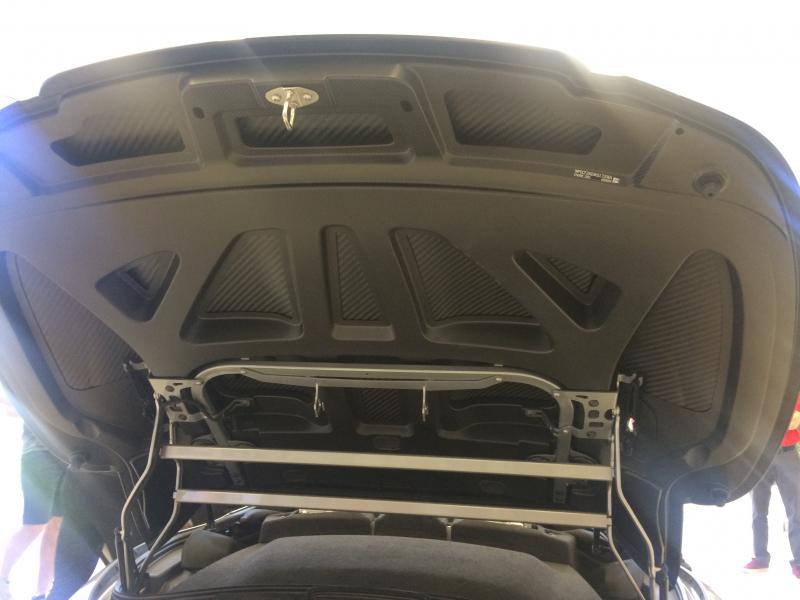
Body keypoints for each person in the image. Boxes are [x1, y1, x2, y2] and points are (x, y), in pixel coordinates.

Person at [0, 427, 66, 600]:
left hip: (64, 456)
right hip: (40, 454)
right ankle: (2, 579)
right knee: (35, 524)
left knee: (55, 527)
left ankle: (41, 593)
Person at [744, 393, 800, 578]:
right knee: (758, 509)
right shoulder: (759, 389)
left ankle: (799, 562)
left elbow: (794, 422)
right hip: (759, 454)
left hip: (787, 455)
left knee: (796, 510)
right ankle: (760, 558)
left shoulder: (795, 393)